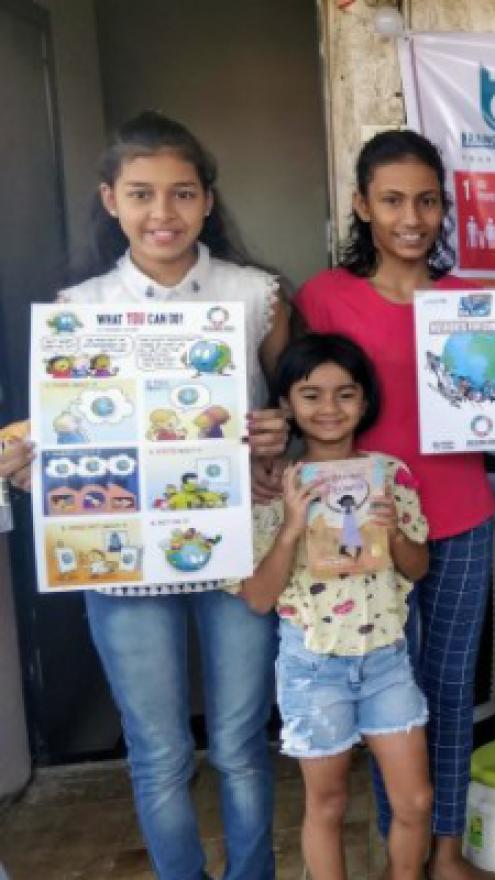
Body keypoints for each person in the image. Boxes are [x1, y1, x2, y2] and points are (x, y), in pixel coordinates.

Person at [296, 130, 495, 880]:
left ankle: (444, 850)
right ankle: (394, 836)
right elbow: (308, 403)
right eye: (394, 199)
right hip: (361, 526)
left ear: (445, 208)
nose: (413, 217)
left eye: (428, 200)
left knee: (447, 689)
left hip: (462, 517)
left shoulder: (472, 306)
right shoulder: (322, 297)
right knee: (387, 701)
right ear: (363, 205)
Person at [53, 111, 292, 880]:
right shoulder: (79, 307)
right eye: (142, 194)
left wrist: (276, 430)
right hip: (124, 556)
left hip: (240, 543)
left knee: (240, 744)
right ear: (110, 200)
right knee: (157, 752)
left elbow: (299, 406)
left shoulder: (257, 295)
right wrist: (34, 457)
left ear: (208, 202)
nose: (164, 213)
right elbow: (61, 434)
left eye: (182, 194)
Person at [240, 334, 434, 880]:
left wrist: (393, 532)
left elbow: (417, 568)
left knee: (415, 801)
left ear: (365, 401)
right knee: (326, 805)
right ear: (287, 405)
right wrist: (291, 530)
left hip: (386, 660)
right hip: (313, 664)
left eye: (345, 394)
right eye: (311, 395)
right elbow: (257, 597)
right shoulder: (271, 486)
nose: (329, 409)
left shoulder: (390, 474)